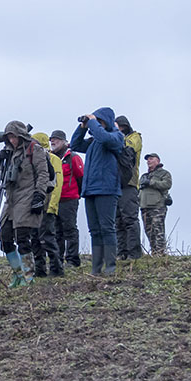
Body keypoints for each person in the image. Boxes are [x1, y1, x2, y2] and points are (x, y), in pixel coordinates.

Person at [0, 120, 52, 287]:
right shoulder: (8, 152)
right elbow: (2, 172)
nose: (12, 140)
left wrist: (39, 195)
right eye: (9, 137)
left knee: (22, 237)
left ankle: (28, 276)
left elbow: (43, 174)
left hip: (28, 195)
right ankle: (17, 274)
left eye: (14, 137)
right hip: (11, 198)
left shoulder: (35, 149)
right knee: (4, 236)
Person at [69, 108, 125, 276]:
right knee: (94, 229)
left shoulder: (116, 137)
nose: (96, 124)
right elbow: (75, 144)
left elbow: (105, 138)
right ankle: (96, 268)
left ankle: (110, 267)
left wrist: (93, 122)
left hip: (107, 188)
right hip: (91, 189)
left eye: (100, 121)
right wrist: (82, 127)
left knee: (107, 228)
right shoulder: (94, 142)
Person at [29, 132, 65, 277]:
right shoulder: (32, 159)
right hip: (34, 206)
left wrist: (52, 206)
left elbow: (57, 184)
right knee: (35, 239)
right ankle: (40, 269)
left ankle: (56, 268)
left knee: (48, 237)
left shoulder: (53, 159)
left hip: (47, 205)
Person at [49, 130, 83, 267]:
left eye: (56, 139)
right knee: (57, 231)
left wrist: (76, 194)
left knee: (70, 229)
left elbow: (81, 176)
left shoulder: (72, 157)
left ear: (64, 141)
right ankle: (58, 260)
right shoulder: (50, 158)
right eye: (51, 139)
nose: (53, 141)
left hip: (69, 199)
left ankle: (72, 260)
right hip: (54, 200)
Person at [114, 115, 144, 260]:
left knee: (130, 219)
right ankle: (122, 252)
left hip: (129, 183)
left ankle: (134, 253)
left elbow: (128, 149)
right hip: (115, 184)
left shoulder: (135, 137)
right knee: (118, 221)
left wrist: (115, 137)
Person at [138, 154, 173, 256]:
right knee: (149, 231)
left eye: (151, 159)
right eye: (147, 160)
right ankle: (154, 252)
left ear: (157, 161)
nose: (148, 161)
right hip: (144, 207)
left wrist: (151, 182)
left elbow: (167, 184)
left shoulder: (164, 173)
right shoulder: (144, 176)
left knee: (158, 230)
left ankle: (160, 253)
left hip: (157, 206)